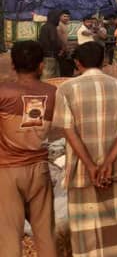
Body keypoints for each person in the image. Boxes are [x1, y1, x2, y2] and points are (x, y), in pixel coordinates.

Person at [54, 42, 117, 257]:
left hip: (82, 169)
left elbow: (68, 130)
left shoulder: (67, 89)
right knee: (114, 221)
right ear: (104, 62)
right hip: (113, 169)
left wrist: (91, 165)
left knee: (84, 227)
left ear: (77, 63)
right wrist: (107, 162)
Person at [0, 41, 58, 257]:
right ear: (41, 66)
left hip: (7, 171)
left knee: (8, 238)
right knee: (45, 235)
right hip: (40, 169)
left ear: (13, 65)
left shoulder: (4, 92)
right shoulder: (52, 93)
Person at [38, 9, 62, 80]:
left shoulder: (44, 26)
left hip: (45, 54)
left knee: (51, 74)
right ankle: (45, 90)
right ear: (54, 18)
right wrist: (59, 50)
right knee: (48, 74)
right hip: (51, 55)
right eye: (58, 18)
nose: (59, 20)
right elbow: (53, 40)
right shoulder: (51, 27)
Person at [58, 10, 75, 77]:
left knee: (67, 68)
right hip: (61, 50)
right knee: (63, 70)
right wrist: (63, 48)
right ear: (60, 17)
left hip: (65, 49)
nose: (66, 18)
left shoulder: (65, 25)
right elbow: (60, 38)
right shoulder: (59, 25)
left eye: (68, 16)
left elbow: (65, 38)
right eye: (64, 16)